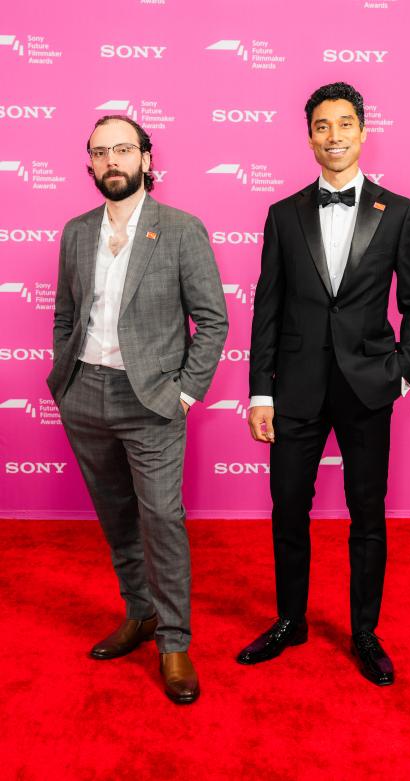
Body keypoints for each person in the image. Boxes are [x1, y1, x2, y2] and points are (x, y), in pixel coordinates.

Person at [237, 82, 410, 685]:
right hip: (294, 389)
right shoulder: (282, 214)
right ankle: (290, 620)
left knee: (366, 514)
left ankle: (365, 632)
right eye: (322, 126)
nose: (334, 136)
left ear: (363, 132)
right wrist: (260, 392)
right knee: (288, 509)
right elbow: (265, 308)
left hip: (367, 388)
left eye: (344, 124)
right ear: (309, 137)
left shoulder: (398, 212)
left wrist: (401, 374)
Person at [47, 115, 228, 704]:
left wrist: (183, 393)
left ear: (147, 159)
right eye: (100, 153)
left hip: (151, 400)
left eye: (123, 149)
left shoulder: (179, 230)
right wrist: (66, 382)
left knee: (162, 522)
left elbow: (213, 321)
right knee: (117, 518)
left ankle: (174, 643)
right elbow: (65, 316)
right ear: (90, 165)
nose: (112, 161)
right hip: (85, 395)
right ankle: (140, 613)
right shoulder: (76, 232)